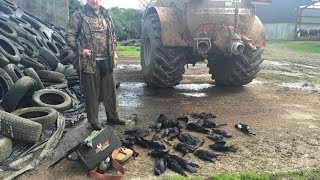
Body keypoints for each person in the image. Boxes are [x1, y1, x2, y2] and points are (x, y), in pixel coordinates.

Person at [66, 0, 125, 130]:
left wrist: (114, 51)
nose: (94, 1)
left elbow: (112, 34)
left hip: (107, 59)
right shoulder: (79, 15)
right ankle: (94, 120)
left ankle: (113, 117)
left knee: (110, 91)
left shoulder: (106, 14)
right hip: (89, 62)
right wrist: (81, 50)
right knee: (91, 93)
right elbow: (70, 35)